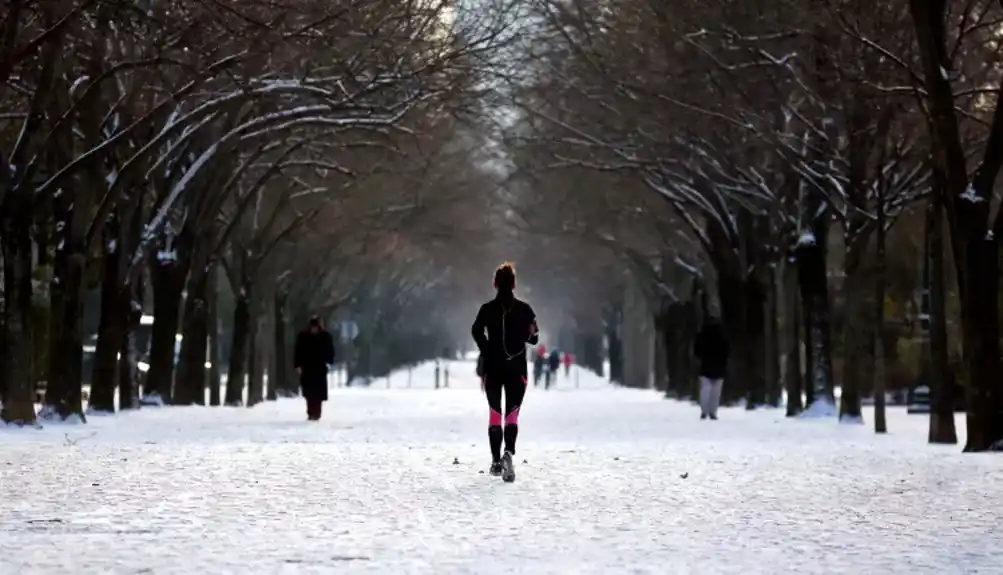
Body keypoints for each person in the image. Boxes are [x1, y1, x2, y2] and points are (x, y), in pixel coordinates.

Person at [471, 262, 539, 481]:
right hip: (517, 367)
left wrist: (487, 348)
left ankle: (495, 461)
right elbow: (534, 338)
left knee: (495, 414)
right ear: (514, 284)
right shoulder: (525, 310)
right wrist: (522, 336)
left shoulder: (486, 309)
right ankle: (508, 452)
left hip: (493, 367)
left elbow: (476, 330)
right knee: (512, 414)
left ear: (495, 284)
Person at [294, 315, 335, 421]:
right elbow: (298, 351)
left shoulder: (325, 337)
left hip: (319, 367)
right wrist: (298, 365)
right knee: (308, 392)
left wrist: (328, 363)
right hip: (307, 367)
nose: (314, 329)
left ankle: (317, 412)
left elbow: (330, 351)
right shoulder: (303, 337)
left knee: (318, 392)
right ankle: (310, 411)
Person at [694, 318, 729, 420]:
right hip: (719, 367)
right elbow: (726, 350)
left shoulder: (702, 336)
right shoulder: (722, 336)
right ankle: (713, 411)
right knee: (716, 391)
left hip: (705, 366)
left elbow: (697, 351)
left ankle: (704, 411)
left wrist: (701, 358)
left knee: (705, 389)